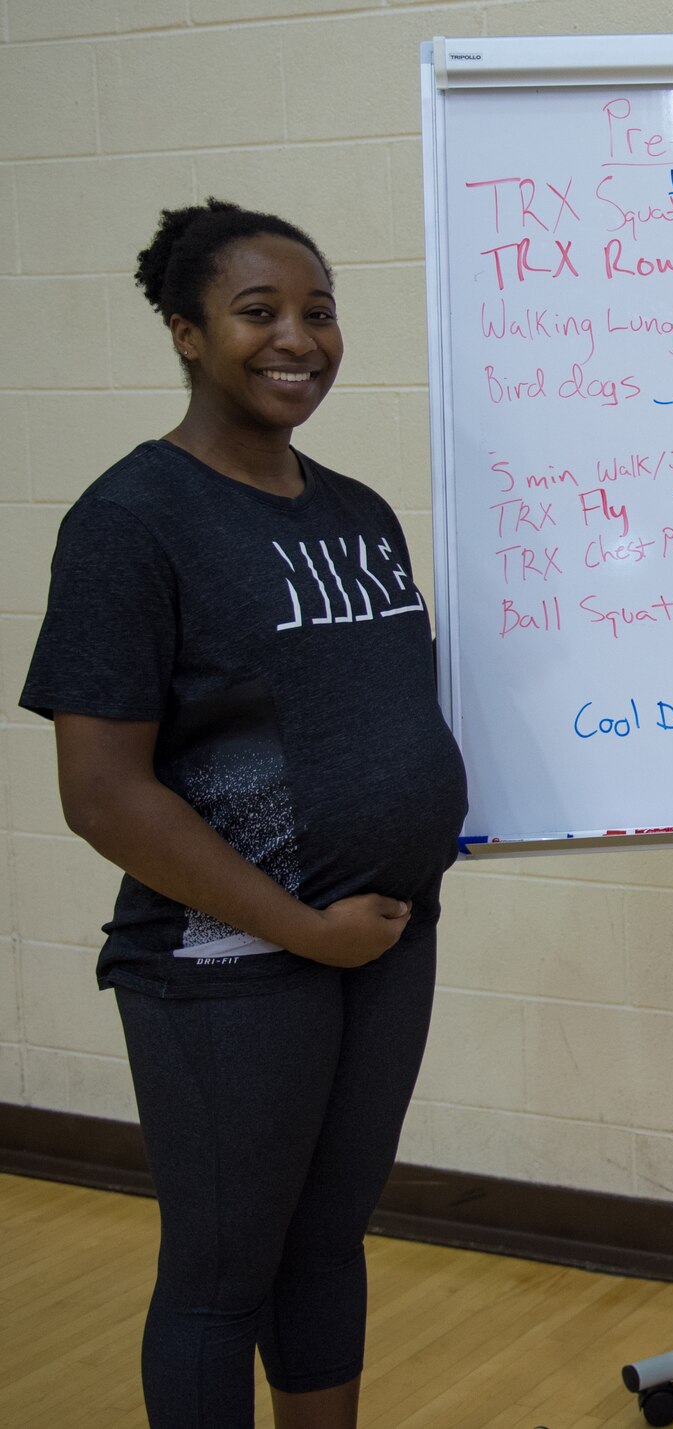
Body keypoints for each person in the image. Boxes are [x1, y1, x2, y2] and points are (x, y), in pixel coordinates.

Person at [19, 199, 468, 1429]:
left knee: (327, 1243)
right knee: (223, 1278)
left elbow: (375, 718)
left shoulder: (356, 513)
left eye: (319, 312)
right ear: (184, 331)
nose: (300, 339)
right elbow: (102, 794)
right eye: (258, 311)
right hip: (226, 965)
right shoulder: (131, 523)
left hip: (382, 942)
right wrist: (299, 926)